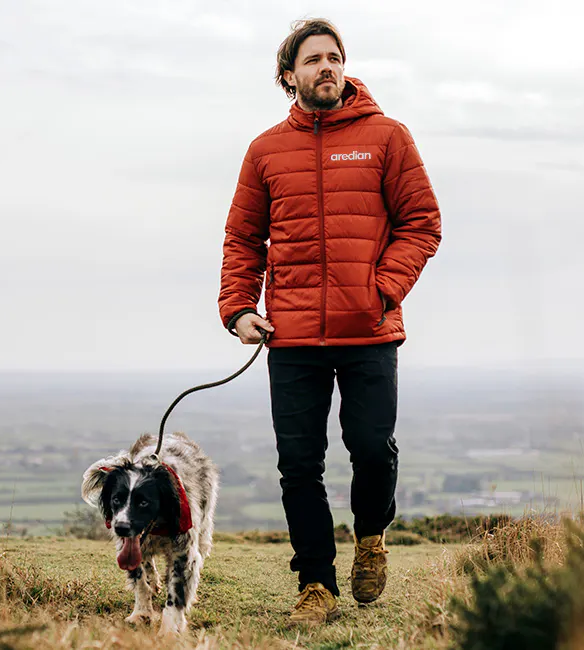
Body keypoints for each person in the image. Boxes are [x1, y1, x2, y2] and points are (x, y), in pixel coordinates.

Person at [217, 17, 442, 625]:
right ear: (288, 76)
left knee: (371, 448)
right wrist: (239, 308)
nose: (327, 67)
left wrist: (382, 290)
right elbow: (243, 238)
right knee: (299, 466)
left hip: (368, 331)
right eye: (313, 59)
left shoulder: (387, 137)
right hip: (291, 338)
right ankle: (316, 584)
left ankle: (371, 537)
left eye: (334, 57)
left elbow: (422, 223)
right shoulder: (265, 151)